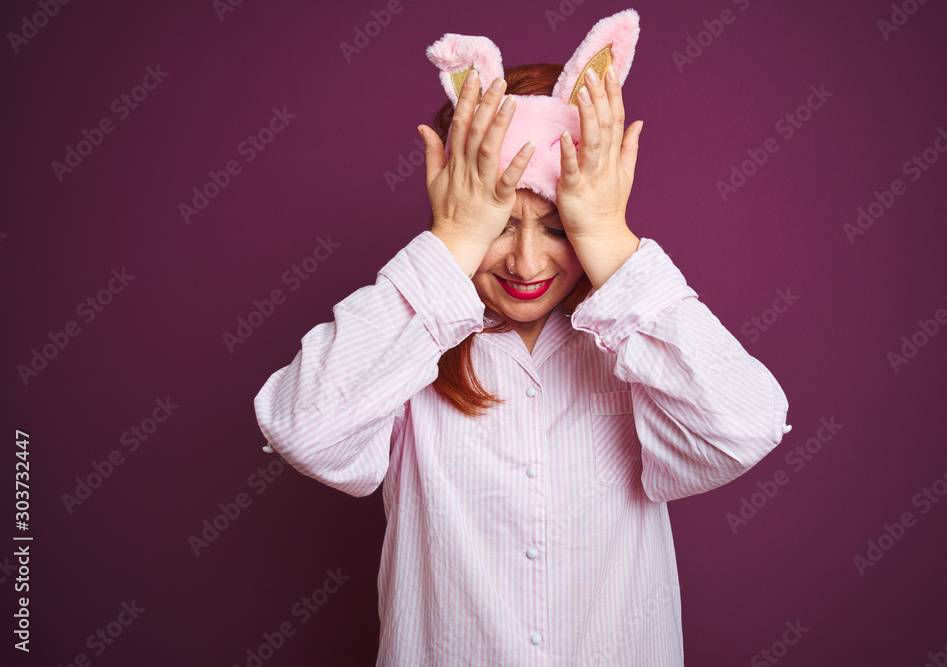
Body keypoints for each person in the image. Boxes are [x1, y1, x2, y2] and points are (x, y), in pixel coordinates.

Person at [255, 10, 790, 666]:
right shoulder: (408, 354)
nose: (528, 263)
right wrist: (452, 240)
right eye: (500, 225)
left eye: (560, 228)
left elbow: (746, 426)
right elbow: (303, 427)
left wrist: (607, 237)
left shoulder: (639, 352)